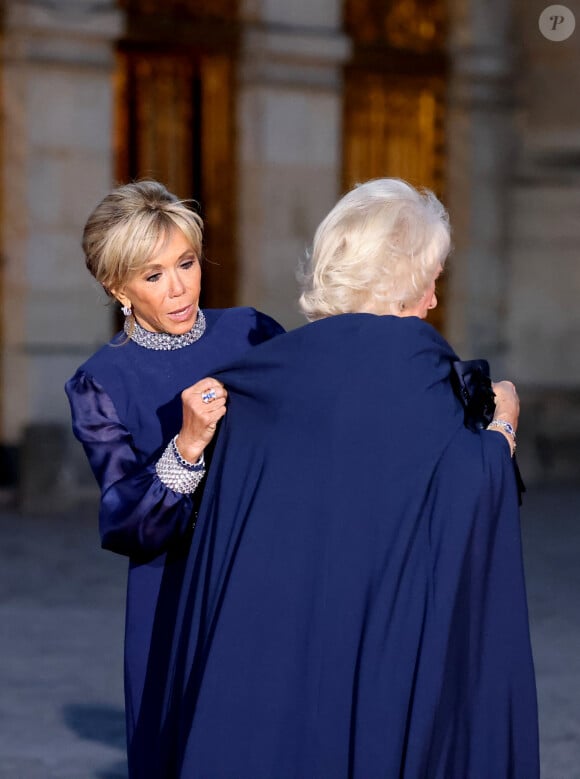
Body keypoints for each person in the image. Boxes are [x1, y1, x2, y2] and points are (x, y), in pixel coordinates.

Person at [145, 178, 539, 778]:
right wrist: (501, 431)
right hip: (382, 669)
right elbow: (465, 509)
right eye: (432, 276)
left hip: (271, 670)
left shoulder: (262, 379)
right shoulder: (426, 381)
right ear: (405, 277)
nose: (434, 299)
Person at [64, 180, 284, 774]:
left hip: (264, 576)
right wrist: (186, 446)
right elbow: (127, 524)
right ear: (117, 287)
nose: (180, 286)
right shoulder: (99, 382)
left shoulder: (252, 333)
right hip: (176, 590)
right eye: (153, 275)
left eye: (185, 262)